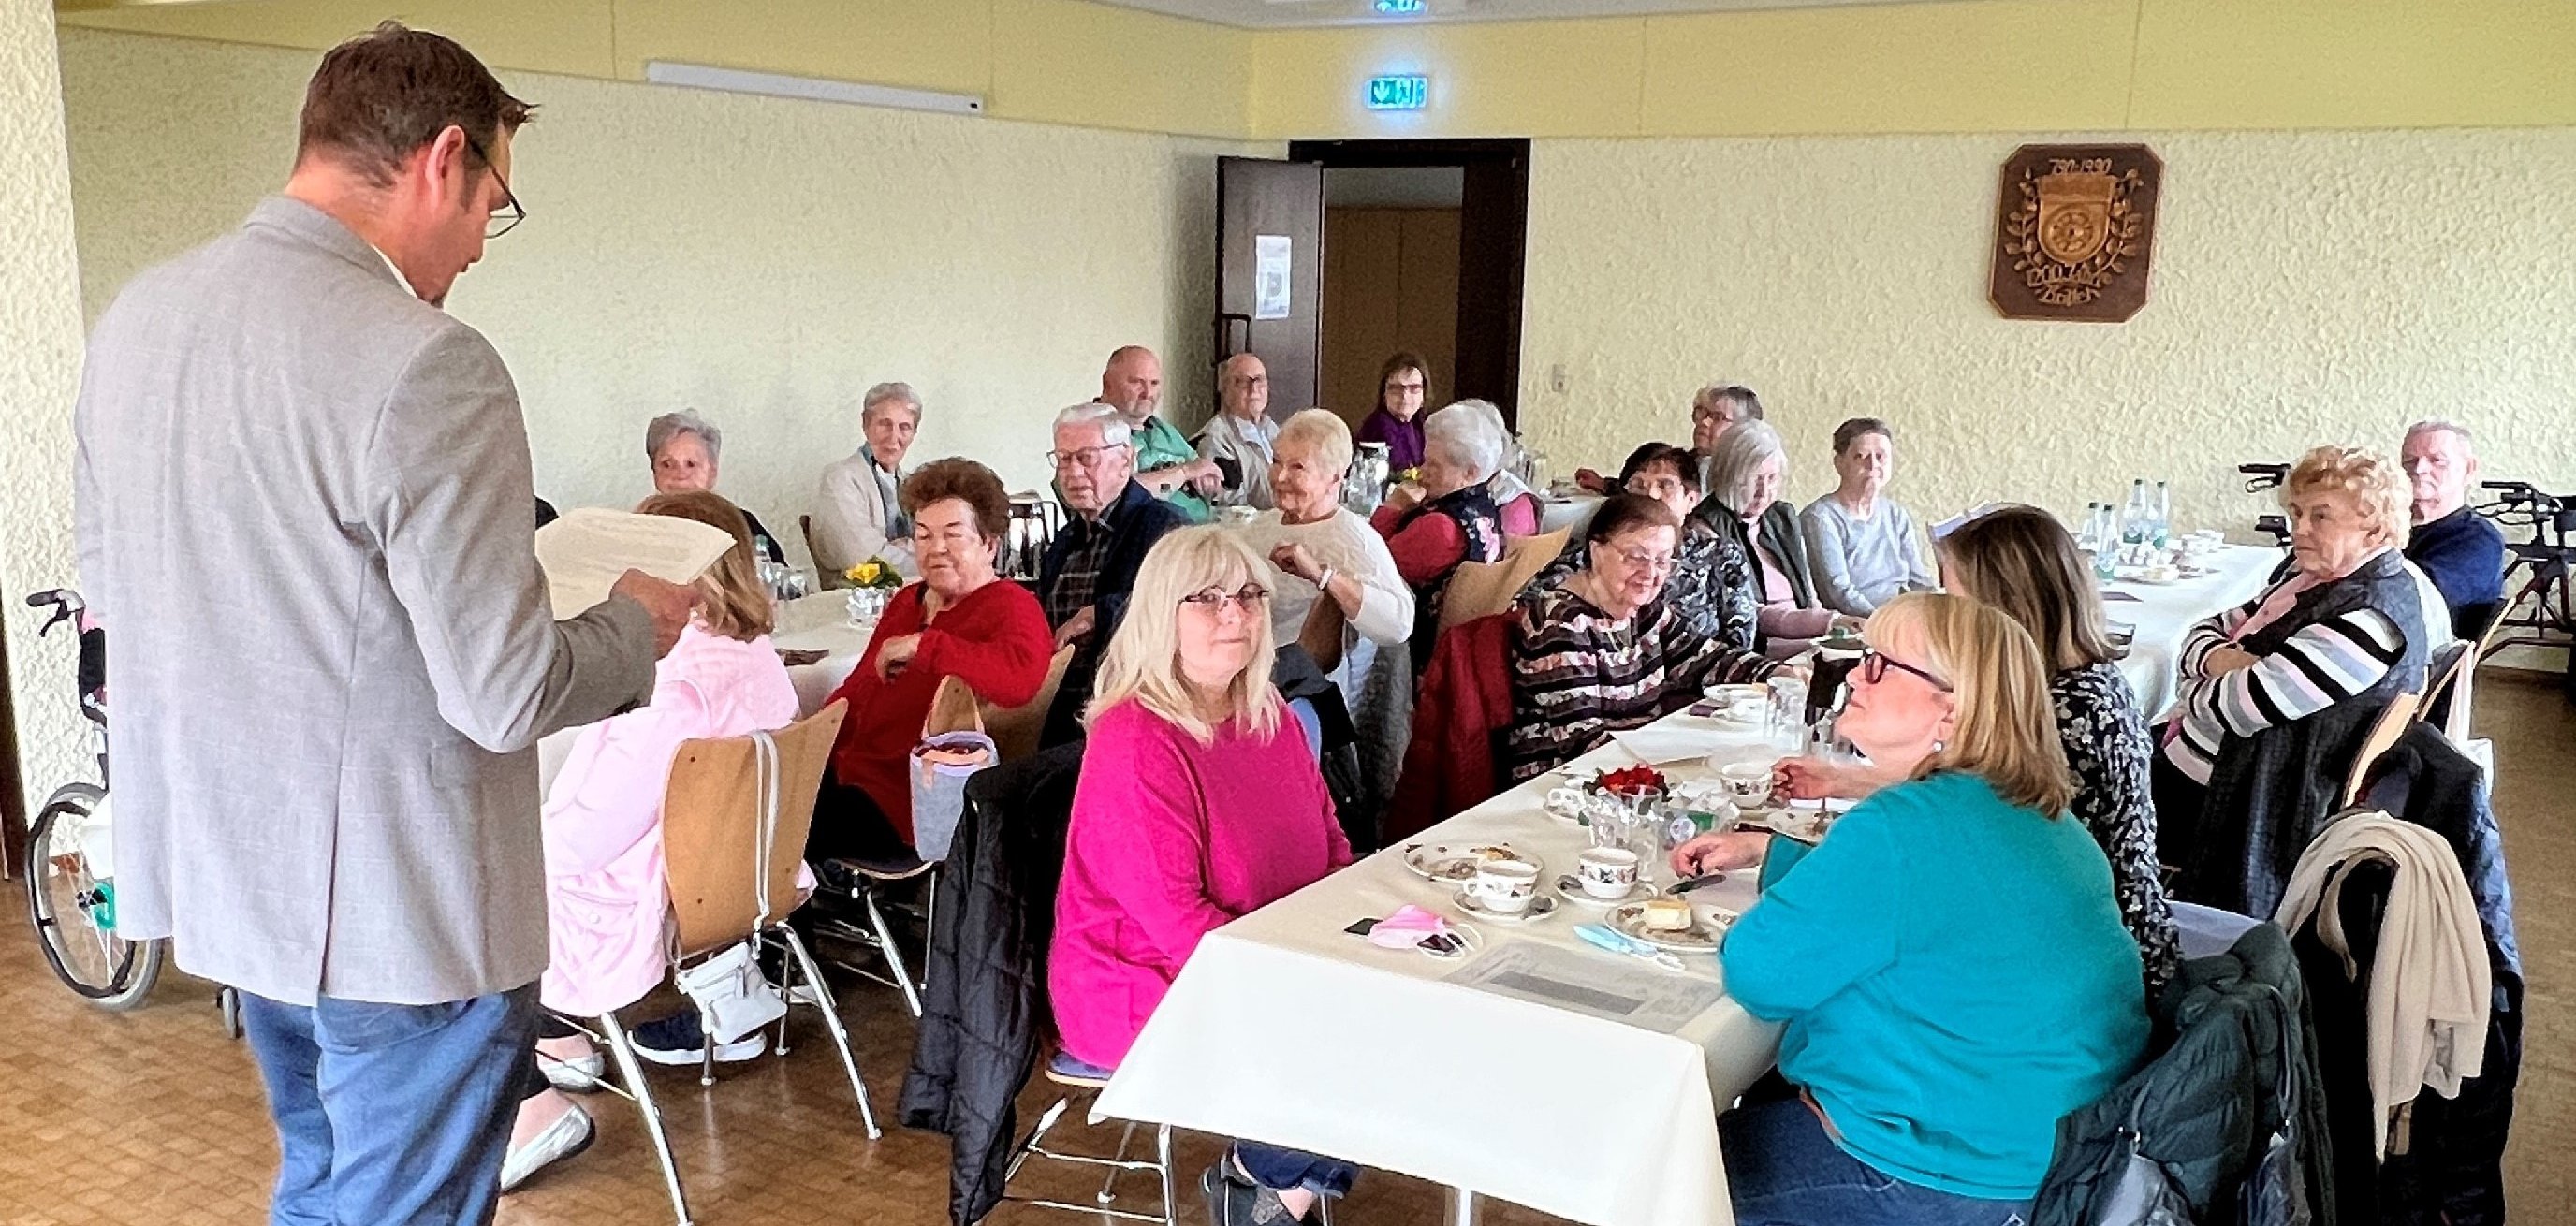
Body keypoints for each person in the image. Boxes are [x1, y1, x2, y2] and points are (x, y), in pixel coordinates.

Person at [69, 23, 694, 1221]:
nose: (476, 247)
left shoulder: (135, 325)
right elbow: (502, 689)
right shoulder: (427, 362)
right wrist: (626, 625)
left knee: (323, 1186)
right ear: (441, 159)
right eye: (491, 205)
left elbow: (121, 595)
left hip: (233, 880)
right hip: (400, 906)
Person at [1671, 593, 2149, 1224]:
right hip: (2064, 1157)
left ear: (1950, 708)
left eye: (1878, 664)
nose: (1852, 675)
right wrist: (1774, 856)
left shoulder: (1901, 831)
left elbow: (1759, 972)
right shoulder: (2044, 817)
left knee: (1662, 1172)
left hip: (1946, 1172)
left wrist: (1793, 894)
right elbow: (1938, 903)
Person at [1047, 527, 1356, 1226]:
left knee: (1400, 1009)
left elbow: (1332, 843)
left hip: (1262, 957)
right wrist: (1305, 974)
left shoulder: (1267, 710)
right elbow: (1175, 921)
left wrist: (1352, 939)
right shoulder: (1136, 737)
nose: (1236, 614)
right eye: (1208, 599)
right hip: (1149, 981)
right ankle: (1273, 1184)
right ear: (1163, 616)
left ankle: (1264, 1182)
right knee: (1346, 1033)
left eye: (1249, 595)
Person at [505, 490, 796, 1186]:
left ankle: (534, 1098)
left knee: (483, 882)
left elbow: (587, 838)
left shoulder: (668, 687)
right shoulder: (757, 656)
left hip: (653, 901)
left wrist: (512, 841)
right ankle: (560, 1040)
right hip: (738, 888)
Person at [1791, 505, 2177, 990]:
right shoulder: (2087, 681)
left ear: (2000, 613)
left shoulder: (2061, 713)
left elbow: (1957, 851)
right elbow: (1984, 800)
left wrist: (1791, 850)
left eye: (1956, 604)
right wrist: (1852, 780)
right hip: (2102, 944)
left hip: (2078, 967)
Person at [2152, 445, 2431, 916]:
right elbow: (2197, 634)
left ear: (2375, 527)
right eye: (2297, 512)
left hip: (2243, 799)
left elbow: (2237, 709)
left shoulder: (2370, 618)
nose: (2299, 529)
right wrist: (2224, 661)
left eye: (2321, 517)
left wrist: (2191, 684)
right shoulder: (2310, 581)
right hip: (2219, 766)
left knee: (2081, 787)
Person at [811, 459, 1054, 858]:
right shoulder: (909, 601)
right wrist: (808, 740)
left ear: (989, 544)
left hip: (907, 803)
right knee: (758, 790)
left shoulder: (1011, 606)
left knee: (766, 824)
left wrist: (926, 647)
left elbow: (1021, 681)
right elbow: (856, 691)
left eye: (952, 535)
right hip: (852, 776)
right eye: (923, 536)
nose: (935, 548)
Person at [1504, 494, 1783, 781]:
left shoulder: (1643, 611)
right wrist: (1672, 771)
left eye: (1662, 561)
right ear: (1597, 552)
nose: (1650, 573)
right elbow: (1582, 740)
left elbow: (1706, 658)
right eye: (1636, 557)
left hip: (1626, 771)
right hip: (1559, 784)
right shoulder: (1561, 623)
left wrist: (1779, 673)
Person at [1039, 402, 1190, 745]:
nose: (1073, 472)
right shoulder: (1065, 540)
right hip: (1063, 715)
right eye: (1063, 459)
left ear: (1125, 460)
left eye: (1086, 458)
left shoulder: (1163, 526)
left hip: (1132, 716)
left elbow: (1182, 606)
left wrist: (1100, 615)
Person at [1526, 443, 1756, 650]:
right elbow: (1533, 602)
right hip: (1617, 677)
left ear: (1691, 500)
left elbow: (1741, 639)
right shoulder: (1597, 550)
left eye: (1665, 485)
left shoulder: (1721, 556)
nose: (1650, 495)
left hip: (1706, 684)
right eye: (1638, 485)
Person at [1238, 409, 1414, 665]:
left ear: (1335, 477)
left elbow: (1398, 626)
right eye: (1276, 461)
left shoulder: (1353, 538)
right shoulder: (1260, 526)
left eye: (1297, 467)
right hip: (1245, 667)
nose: (1279, 477)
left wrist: (1323, 576)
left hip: (1299, 685)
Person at [1369, 401, 1507, 670]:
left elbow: (1369, 565)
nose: (1421, 472)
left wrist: (1393, 508)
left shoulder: (1440, 530)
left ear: (1470, 473)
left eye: (1433, 465)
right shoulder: (1486, 508)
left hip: (1417, 657)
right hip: (1467, 650)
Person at [1692, 420, 1847, 654]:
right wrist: (1828, 622)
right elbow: (1749, 614)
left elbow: (1810, 597)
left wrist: (1832, 631)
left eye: (1772, 478)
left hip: (1808, 645)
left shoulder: (1782, 517)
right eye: (1754, 479)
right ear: (1727, 475)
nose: (1764, 492)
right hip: (1756, 653)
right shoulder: (1706, 527)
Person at [1802, 417, 1936, 616]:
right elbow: (1838, 592)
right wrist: (1883, 623)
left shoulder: (1896, 514)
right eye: (1861, 456)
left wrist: (1939, 612)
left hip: (1902, 619)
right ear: (1839, 463)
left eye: (1880, 456)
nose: (1873, 465)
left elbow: (1920, 581)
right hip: (1856, 625)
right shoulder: (1820, 518)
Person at [2399, 419, 2507, 639]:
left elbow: (2408, 598)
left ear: (2468, 470)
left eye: (2436, 460)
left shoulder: (2479, 540)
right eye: (2410, 461)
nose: (2419, 470)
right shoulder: (2390, 524)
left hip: (2419, 665)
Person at [811, 381, 923, 582]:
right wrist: (919, 555)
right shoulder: (840, 479)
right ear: (865, 424)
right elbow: (865, 561)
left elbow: (933, 545)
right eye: (884, 424)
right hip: (855, 603)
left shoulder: (909, 484)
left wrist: (906, 546)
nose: (894, 437)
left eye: (904, 427)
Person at [647, 409, 787, 565]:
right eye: (667, 464)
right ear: (654, 472)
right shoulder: (639, 530)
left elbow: (779, 584)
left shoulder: (741, 526)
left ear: (712, 472)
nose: (680, 474)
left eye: (691, 464)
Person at [1101, 344, 1221, 522]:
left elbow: (1202, 471)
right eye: (1136, 382)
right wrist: (1184, 473)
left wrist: (1208, 481)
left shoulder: (1161, 429)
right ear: (1108, 384)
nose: (1147, 393)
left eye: (1154, 383)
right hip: (1156, 542)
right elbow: (1126, 496)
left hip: (1203, 531)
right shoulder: (1096, 432)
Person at [1196, 353, 1281, 511]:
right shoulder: (1214, 440)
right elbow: (1229, 507)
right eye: (1242, 382)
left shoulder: (1273, 429)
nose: (1254, 389)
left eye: (1259, 380)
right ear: (1224, 388)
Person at [1353, 350, 1429, 473]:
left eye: (1414, 388)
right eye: (1396, 388)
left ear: (1424, 394)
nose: (1405, 396)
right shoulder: (1376, 428)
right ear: (1384, 394)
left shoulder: (1423, 425)